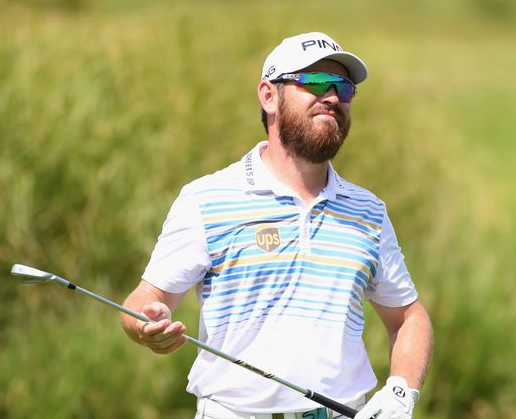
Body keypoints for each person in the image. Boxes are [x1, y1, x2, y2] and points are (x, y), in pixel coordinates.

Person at [121, 31, 433, 419]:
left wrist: (401, 392)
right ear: (269, 96)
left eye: (344, 88)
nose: (333, 97)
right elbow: (143, 301)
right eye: (316, 83)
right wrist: (146, 324)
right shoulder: (206, 198)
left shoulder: (367, 212)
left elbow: (408, 317)